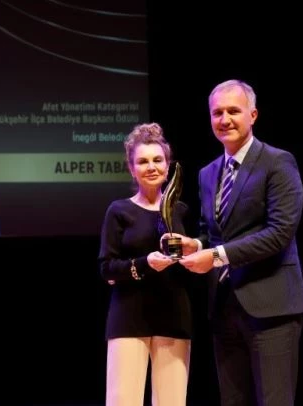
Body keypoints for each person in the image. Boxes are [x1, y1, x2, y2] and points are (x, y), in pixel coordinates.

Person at [179, 79, 303, 406]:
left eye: (233, 111)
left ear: (253, 115)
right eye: (217, 113)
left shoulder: (278, 162)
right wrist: (195, 245)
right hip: (224, 308)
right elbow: (211, 232)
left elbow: (280, 233)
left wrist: (215, 256)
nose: (225, 119)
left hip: (271, 308)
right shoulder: (207, 173)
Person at [98, 123, 193, 406]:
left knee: (172, 401)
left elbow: (196, 259)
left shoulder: (181, 211)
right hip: (128, 317)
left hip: (174, 315)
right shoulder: (119, 210)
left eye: (157, 160)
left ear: (167, 165)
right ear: (131, 168)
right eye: (142, 161)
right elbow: (106, 267)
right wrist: (144, 263)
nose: (151, 167)